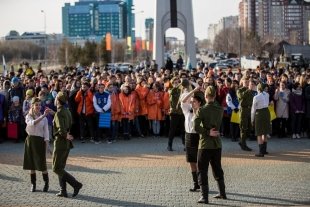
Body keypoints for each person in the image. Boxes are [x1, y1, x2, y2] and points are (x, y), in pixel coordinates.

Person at [194, 86, 226, 204]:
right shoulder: (220, 109)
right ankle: (222, 193)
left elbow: (196, 127)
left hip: (205, 144)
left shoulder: (202, 110)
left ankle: (204, 197)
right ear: (215, 96)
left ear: (205, 96)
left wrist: (207, 132)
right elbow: (215, 102)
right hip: (217, 143)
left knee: (202, 170)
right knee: (217, 168)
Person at [53, 92, 82, 198]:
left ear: (58, 100)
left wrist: (65, 135)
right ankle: (63, 190)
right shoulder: (67, 111)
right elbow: (66, 123)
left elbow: (61, 129)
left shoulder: (59, 113)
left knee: (56, 168)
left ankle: (76, 184)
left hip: (60, 142)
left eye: (56, 98)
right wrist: (67, 135)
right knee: (61, 168)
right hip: (66, 143)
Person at [23, 98, 51, 192]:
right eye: (36, 105)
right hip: (30, 140)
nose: (38, 106)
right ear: (32, 106)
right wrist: (43, 116)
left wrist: (48, 145)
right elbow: (32, 124)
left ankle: (46, 183)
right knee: (31, 164)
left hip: (40, 141)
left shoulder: (45, 118)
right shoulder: (29, 116)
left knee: (42, 164)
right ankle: (33, 184)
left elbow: (46, 132)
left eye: (39, 105)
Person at [180, 85, 203, 192]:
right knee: (191, 161)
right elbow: (183, 101)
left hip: (198, 137)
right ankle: (195, 184)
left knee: (199, 162)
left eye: (194, 101)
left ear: (199, 103)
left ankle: (202, 183)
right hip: (188, 136)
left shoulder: (201, 112)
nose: (191, 103)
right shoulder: (187, 110)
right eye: (191, 101)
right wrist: (193, 90)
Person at [251, 83, 271, 157]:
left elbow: (253, 109)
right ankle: (264, 150)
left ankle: (260, 152)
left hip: (259, 113)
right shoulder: (267, 94)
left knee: (259, 133)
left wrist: (252, 119)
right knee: (265, 132)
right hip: (266, 112)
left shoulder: (256, 97)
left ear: (258, 88)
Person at [237, 77, 254, 151]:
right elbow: (241, 97)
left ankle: (242, 141)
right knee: (243, 128)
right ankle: (243, 144)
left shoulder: (250, 91)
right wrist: (247, 90)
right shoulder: (239, 90)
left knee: (249, 128)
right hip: (243, 110)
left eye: (248, 82)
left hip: (249, 110)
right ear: (242, 82)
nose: (247, 83)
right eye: (245, 82)